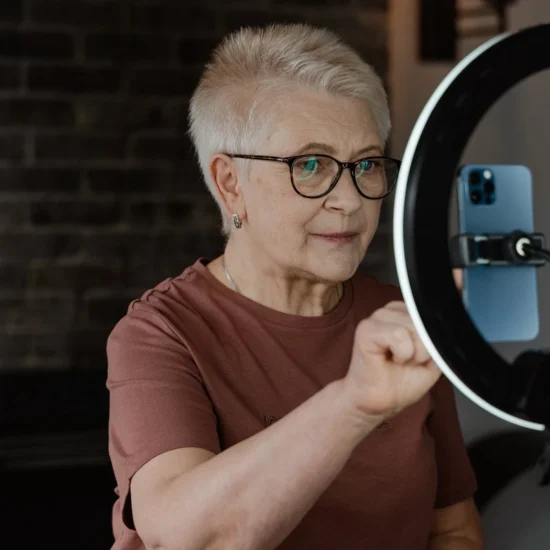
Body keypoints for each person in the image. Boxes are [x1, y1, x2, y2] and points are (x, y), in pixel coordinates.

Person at [106, 23, 483, 550]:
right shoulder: (160, 332)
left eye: (366, 164)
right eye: (310, 164)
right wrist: (354, 403)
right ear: (230, 184)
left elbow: (454, 531)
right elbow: (186, 540)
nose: (350, 200)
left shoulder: (402, 316)